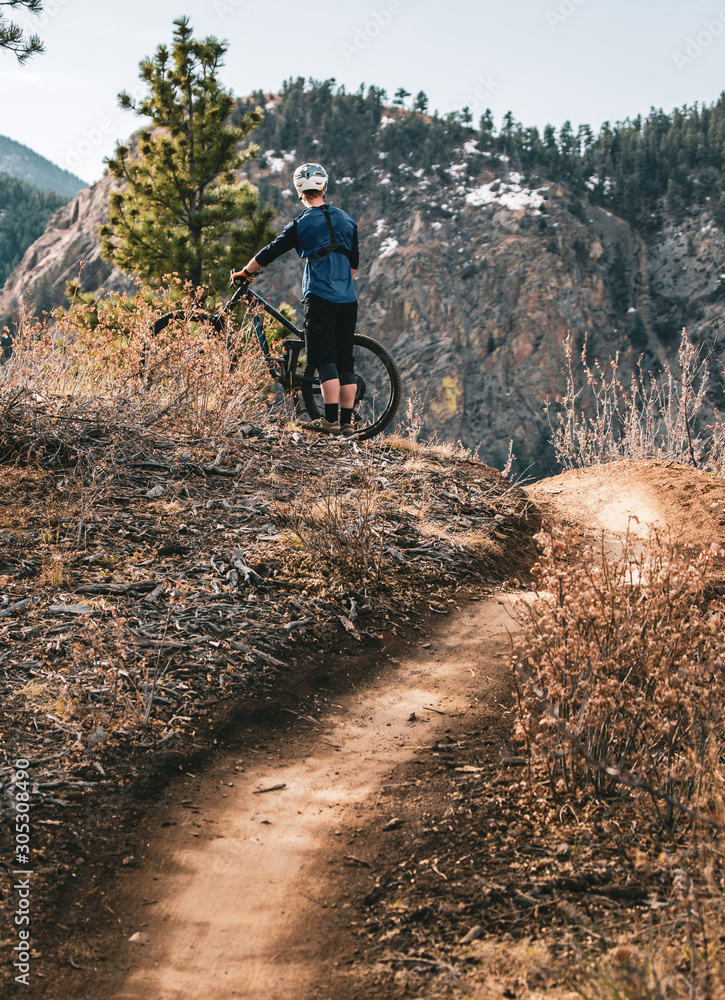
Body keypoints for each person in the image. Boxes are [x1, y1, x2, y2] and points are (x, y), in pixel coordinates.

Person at [232, 162, 360, 436]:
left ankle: (330, 421)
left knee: (324, 357)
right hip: (348, 299)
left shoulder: (301, 223)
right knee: (344, 360)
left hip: (320, 296)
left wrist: (246, 272)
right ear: (324, 187)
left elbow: (270, 252)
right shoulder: (347, 220)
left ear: (300, 192)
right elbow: (353, 267)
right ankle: (348, 423)